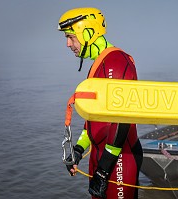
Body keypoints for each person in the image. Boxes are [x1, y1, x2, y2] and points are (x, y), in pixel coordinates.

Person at [58, 7, 143, 199]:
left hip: (120, 159)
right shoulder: (98, 65)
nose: (67, 44)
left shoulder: (116, 61)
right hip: (102, 158)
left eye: (71, 37)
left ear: (88, 33)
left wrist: (104, 170)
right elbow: (94, 120)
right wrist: (79, 149)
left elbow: (123, 119)